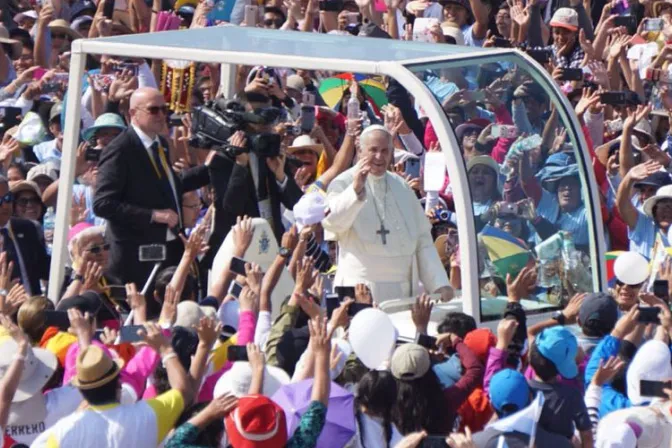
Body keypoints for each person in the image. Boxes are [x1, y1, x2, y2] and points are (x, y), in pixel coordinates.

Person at [93, 87, 210, 288]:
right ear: (133, 114)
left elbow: (172, 186)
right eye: (154, 110)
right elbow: (103, 204)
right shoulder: (121, 149)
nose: (162, 115)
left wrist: (211, 167)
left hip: (168, 247)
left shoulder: (159, 144)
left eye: (164, 109)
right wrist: (153, 214)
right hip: (135, 255)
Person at [322, 125, 453, 302]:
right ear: (360, 150)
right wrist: (355, 191)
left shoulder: (402, 186)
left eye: (385, 151)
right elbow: (332, 223)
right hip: (360, 288)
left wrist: (439, 283)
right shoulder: (343, 182)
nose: (379, 157)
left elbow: (423, 240)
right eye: (373, 150)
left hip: (403, 290)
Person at [32, 321, 194, 447]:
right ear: (119, 382)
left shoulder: (61, 432)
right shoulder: (146, 415)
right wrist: (166, 350)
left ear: (80, 389)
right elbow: (184, 392)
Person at [0, 175, 49, 296]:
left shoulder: (28, 228)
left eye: (8, 198)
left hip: (30, 310)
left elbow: (44, 268)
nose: (5, 205)